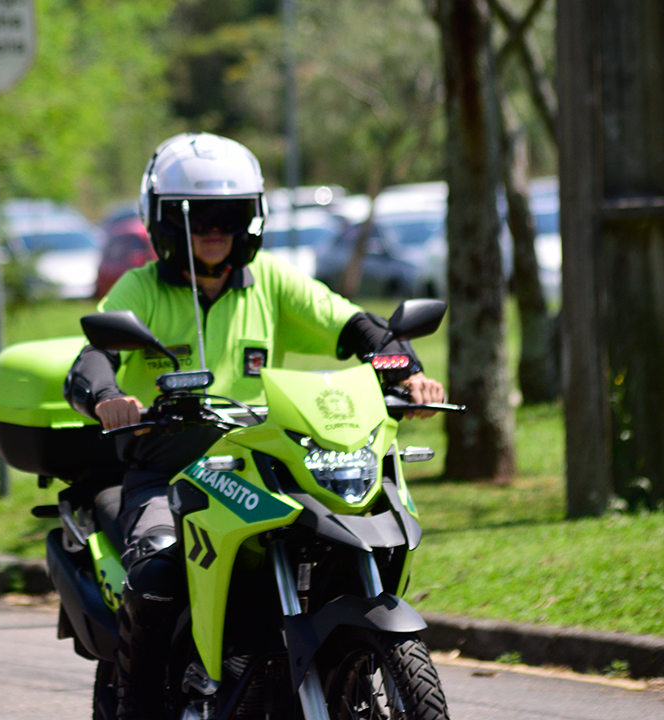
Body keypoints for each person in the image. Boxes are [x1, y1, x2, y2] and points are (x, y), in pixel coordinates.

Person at [64, 133, 444, 720]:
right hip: (169, 469)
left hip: (260, 465)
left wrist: (407, 372)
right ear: (163, 221)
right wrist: (109, 397)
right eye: (198, 218)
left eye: (231, 215)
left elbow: (354, 326)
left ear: (253, 219)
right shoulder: (141, 288)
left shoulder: (271, 280)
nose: (215, 230)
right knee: (159, 565)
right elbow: (90, 360)